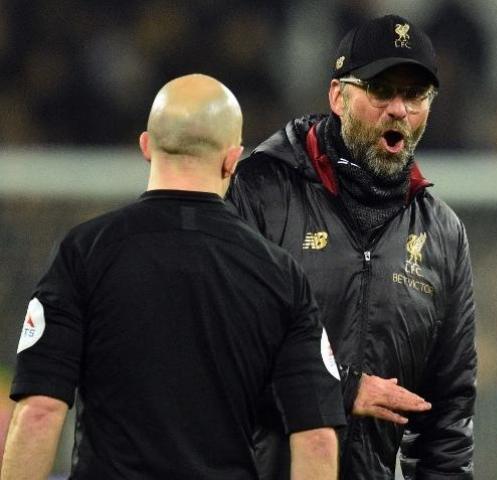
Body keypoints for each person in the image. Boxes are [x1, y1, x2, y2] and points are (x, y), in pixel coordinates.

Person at [1, 74, 345, 480]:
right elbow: (316, 437)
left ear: (146, 145)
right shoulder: (280, 273)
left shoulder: (84, 252)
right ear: (232, 158)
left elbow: (40, 411)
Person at [227, 14, 477, 480]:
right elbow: (223, 354)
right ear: (338, 97)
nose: (399, 109)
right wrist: (341, 389)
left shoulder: (443, 233)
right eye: (381, 91)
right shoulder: (260, 190)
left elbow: (446, 419)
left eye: (415, 95)